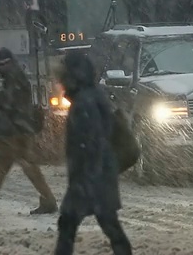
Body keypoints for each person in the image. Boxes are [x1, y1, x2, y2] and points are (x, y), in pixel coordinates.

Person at [0, 47, 57, 217]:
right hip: (18, 130)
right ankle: (47, 200)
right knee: (16, 167)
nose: (0, 69)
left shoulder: (14, 77)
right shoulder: (15, 75)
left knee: (11, 168)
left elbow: (10, 101)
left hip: (14, 132)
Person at [55, 52, 132, 255]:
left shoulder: (84, 102)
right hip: (98, 176)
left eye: (64, 72)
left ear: (73, 74)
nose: (60, 77)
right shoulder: (91, 94)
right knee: (108, 224)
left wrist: (84, 182)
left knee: (69, 224)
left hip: (90, 177)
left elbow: (91, 144)